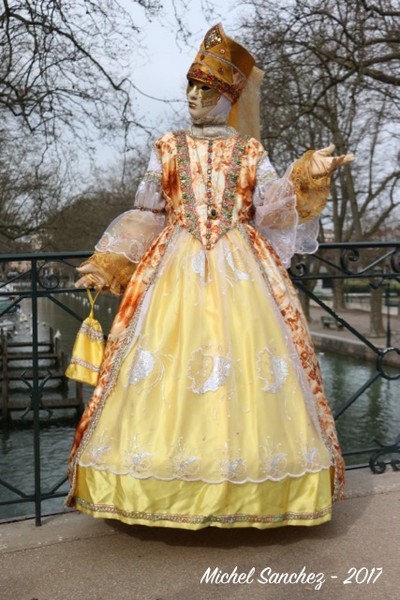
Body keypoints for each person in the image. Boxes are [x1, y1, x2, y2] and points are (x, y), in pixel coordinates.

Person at [66, 23, 354, 529]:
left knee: (248, 369)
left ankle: (248, 491)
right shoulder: (166, 148)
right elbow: (146, 214)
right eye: (191, 88)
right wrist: (105, 263)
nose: (196, 98)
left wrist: (309, 171)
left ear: (230, 99)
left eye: (208, 90)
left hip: (243, 272)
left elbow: (272, 209)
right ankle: (161, 488)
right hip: (172, 273)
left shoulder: (250, 153)